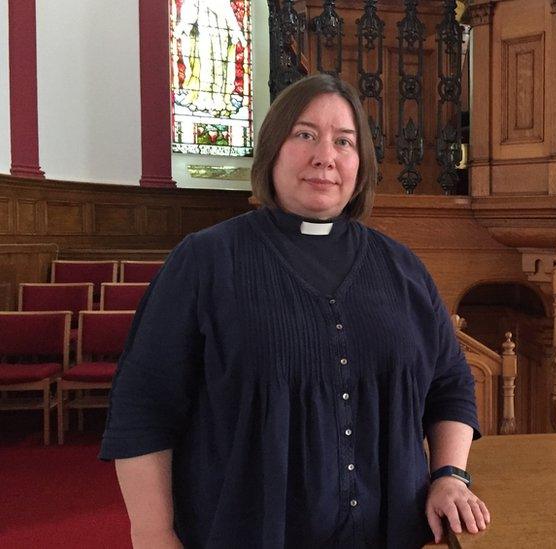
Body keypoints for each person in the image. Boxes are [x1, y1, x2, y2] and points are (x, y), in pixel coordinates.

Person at [100, 74, 489, 548]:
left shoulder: (401, 268)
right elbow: (143, 405)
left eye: (343, 141)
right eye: (305, 134)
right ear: (272, 150)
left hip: (389, 534)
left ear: (360, 164)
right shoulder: (205, 262)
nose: (325, 156)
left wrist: (449, 473)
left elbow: (450, 383)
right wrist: (153, 531)